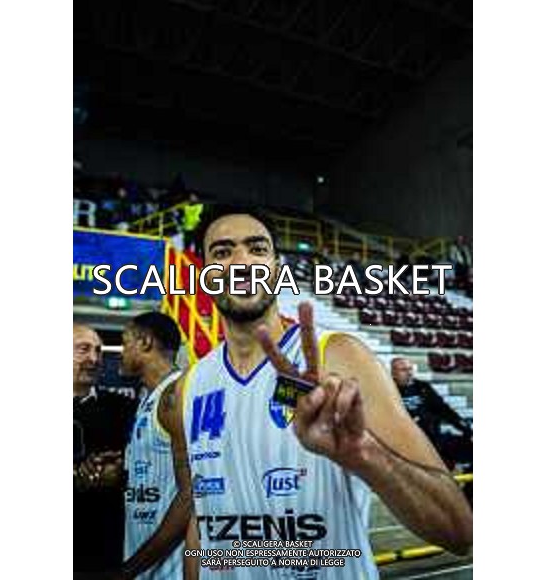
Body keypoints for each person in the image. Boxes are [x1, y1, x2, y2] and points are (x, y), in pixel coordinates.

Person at [169, 206, 472, 579]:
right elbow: (201, 518)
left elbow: (458, 530)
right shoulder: (190, 385)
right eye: (222, 252)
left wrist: (364, 453)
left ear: (278, 269)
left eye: (257, 248)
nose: (242, 262)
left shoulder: (340, 356)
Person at [117, 312, 191, 579]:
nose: (121, 352)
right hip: (145, 564)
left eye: (125, 343)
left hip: (169, 570)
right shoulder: (150, 396)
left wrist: (130, 568)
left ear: (145, 342)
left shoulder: (175, 395)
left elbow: (191, 496)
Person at [73, 324, 137, 575]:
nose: (94, 359)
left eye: (98, 351)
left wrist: (120, 470)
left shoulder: (125, 408)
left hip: (105, 547)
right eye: (83, 349)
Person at [391, 357, 473, 470]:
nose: (409, 373)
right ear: (393, 373)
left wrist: (466, 429)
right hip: (408, 441)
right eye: (403, 370)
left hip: (433, 437)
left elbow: (444, 409)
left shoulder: (422, 386)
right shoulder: (389, 390)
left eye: (410, 369)